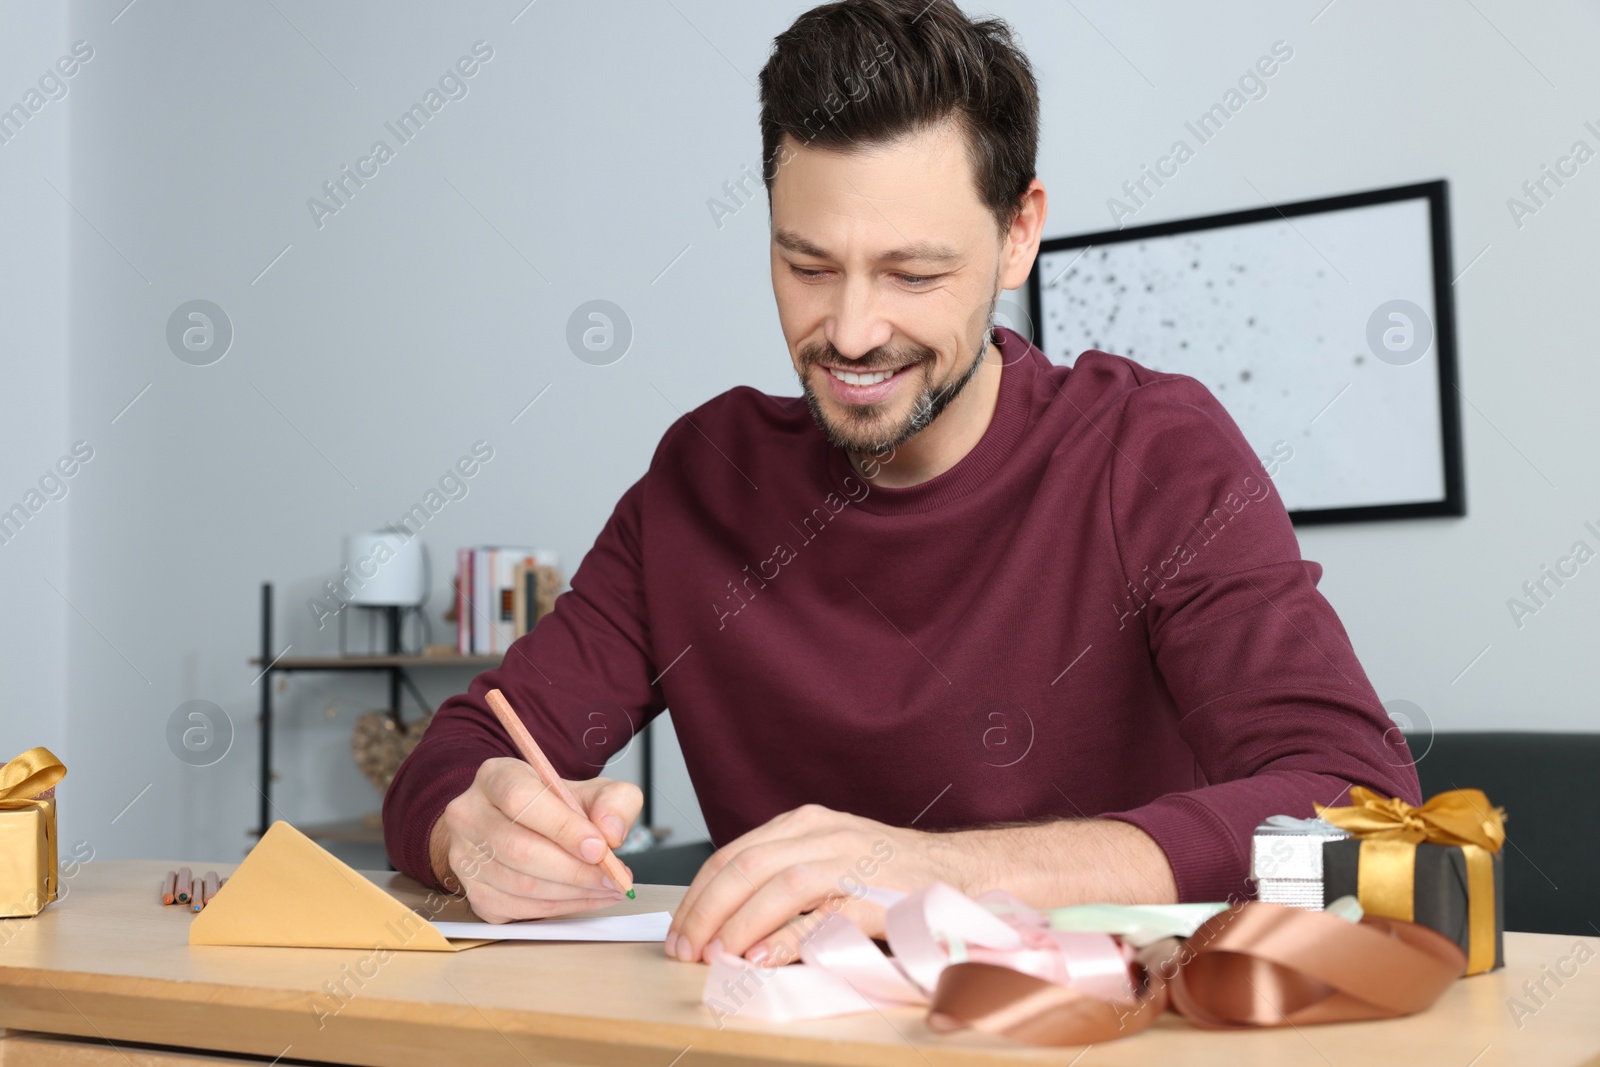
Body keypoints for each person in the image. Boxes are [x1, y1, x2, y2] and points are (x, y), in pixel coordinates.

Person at [383, 0, 1420, 968]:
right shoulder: (703, 476)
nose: (850, 331)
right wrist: (468, 824)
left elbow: (1360, 809)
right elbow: (465, 749)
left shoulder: (1153, 452)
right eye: (807, 264)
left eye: (913, 274)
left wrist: (947, 876)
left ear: (1018, 232)